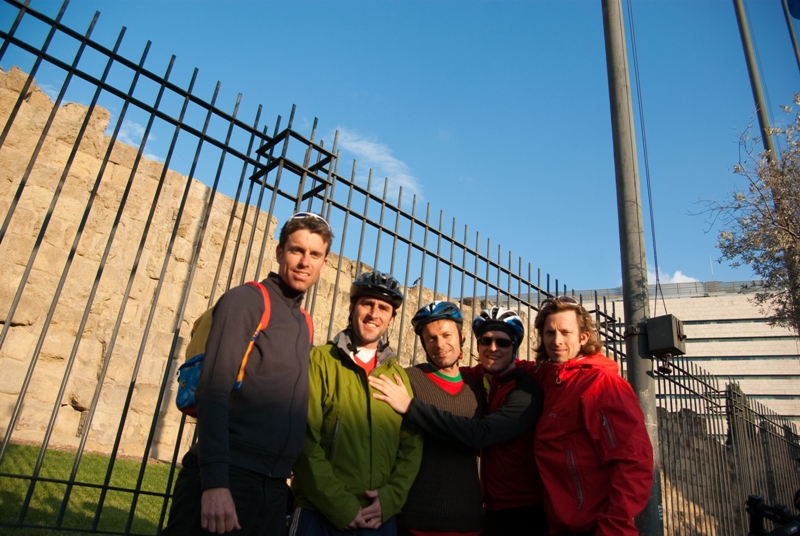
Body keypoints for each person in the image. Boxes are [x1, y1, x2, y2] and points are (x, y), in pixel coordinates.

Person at [164, 212, 333, 536]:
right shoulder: (247, 301)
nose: (304, 262)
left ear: (324, 264)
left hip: (270, 484)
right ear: (280, 252)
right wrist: (214, 483)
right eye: (297, 250)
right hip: (228, 476)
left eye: (314, 254)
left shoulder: (303, 322)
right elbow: (213, 391)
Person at [370, 306, 547, 536]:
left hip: (520, 511)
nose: (493, 348)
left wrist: (411, 406)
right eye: (486, 341)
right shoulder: (480, 380)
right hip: (446, 514)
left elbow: (479, 434)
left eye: (503, 342)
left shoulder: (525, 390)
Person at [290, 270, 423, 535]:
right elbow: (304, 439)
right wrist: (339, 504)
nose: (374, 314)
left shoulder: (398, 376)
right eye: (367, 303)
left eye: (384, 308)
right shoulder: (320, 360)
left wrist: (390, 499)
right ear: (352, 307)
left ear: (391, 319)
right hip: (321, 513)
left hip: (379, 519)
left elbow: (411, 446)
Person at [532, 296, 653, 536]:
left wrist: (614, 527)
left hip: (596, 527)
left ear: (583, 337)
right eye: (549, 333)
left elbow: (632, 461)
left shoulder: (602, 384)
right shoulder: (545, 381)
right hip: (556, 523)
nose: (556, 341)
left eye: (565, 332)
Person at [398, 301, 486, 536]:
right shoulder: (408, 380)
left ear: (462, 336)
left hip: (469, 519)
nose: (440, 344)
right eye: (431, 338)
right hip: (417, 519)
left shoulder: (477, 387)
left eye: (447, 335)